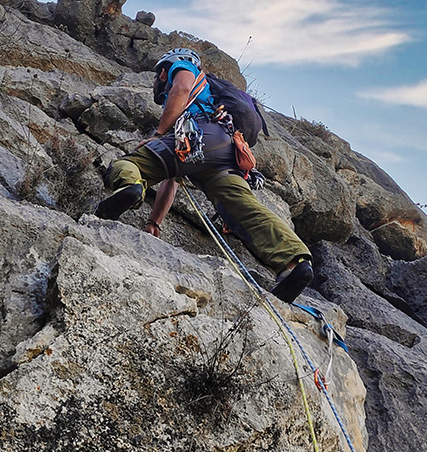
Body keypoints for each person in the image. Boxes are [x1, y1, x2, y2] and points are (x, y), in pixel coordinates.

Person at [96, 48, 313, 303]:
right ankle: (293, 263)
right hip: (226, 152)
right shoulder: (210, 98)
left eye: (157, 77)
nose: (157, 82)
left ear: (163, 72)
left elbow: (181, 89)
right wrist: (154, 223)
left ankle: (127, 185)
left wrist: (159, 133)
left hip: (197, 135)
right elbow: (171, 178)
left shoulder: (182, 65)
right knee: (242, 207)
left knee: (131, 163)